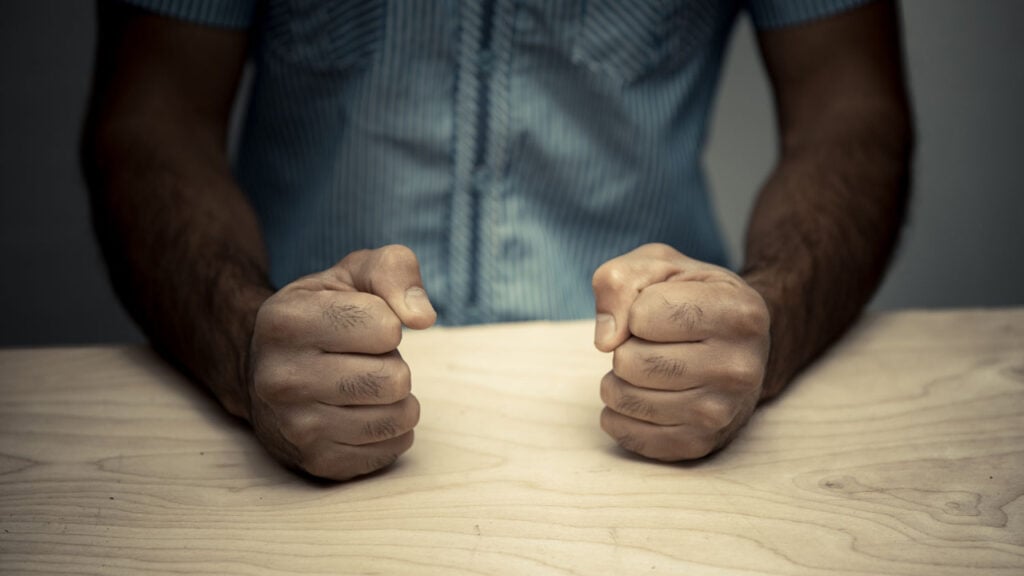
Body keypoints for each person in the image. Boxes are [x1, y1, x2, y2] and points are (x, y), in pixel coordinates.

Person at [82, 0, 913, 480]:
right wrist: (240, 339)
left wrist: (768, 313)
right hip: (297, 393)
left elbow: (850, 112)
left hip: (660, 412)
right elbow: (152, 118)